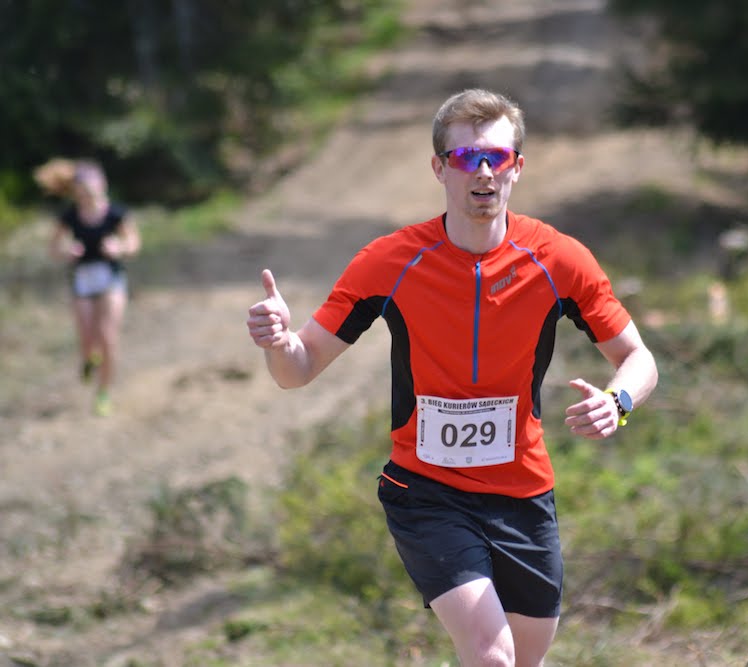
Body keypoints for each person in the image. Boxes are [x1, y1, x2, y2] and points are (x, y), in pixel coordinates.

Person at [246, 88, 658, 666]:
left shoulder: (559, 260)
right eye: (466, 157)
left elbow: (639, 359)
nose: (483, 171)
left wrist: (617, 403)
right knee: (491, 655)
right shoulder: (389, 262)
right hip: (426, 490)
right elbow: (299, 369)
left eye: (497, 157)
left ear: (517, 167)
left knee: (525, 660)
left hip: (523, 493)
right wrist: (278, 342)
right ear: (440, 168)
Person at [35, 158, 141, 416]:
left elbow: (133, 243)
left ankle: (103, 393)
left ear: (102, 185)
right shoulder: (70, 216)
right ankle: (89, 358)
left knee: (107, 336)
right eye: (83, 191)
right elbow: (53, 248)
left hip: (110, 279)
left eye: (92, 190)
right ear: (77, 192)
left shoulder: (116, 213)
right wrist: (66, 251)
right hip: (82, 280)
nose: (88, 195)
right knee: (87, 337)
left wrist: (119, 247)